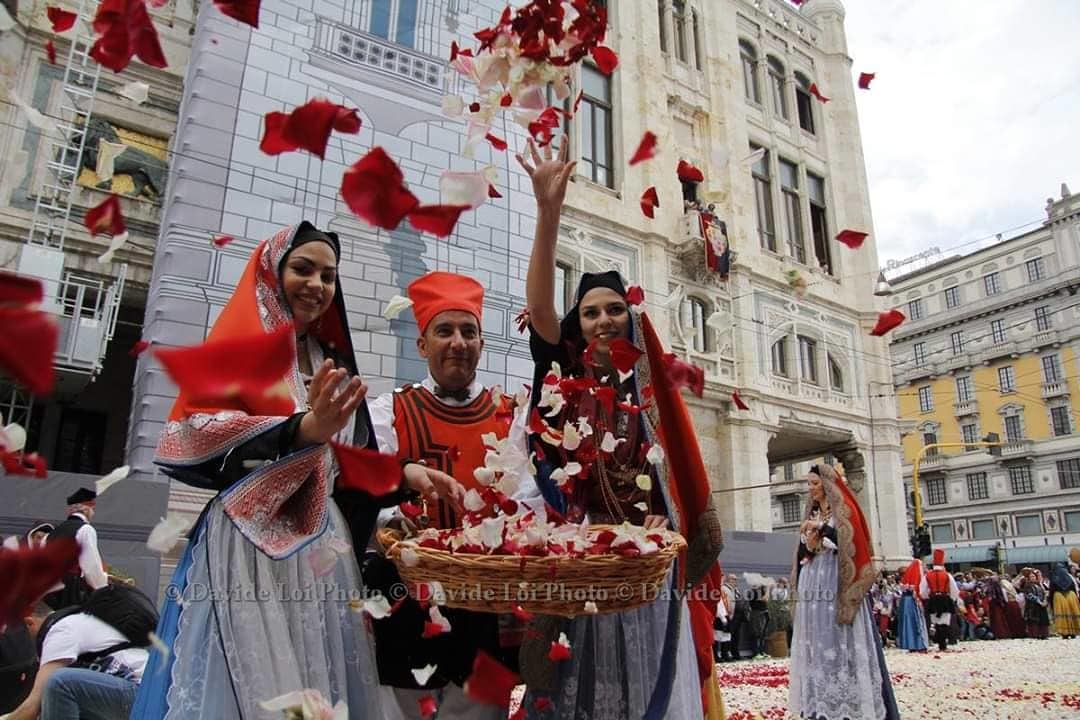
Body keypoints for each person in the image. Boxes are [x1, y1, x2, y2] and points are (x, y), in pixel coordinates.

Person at [130, 222, 404, 718]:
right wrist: (302, 428)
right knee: (254, 683)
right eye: (303, 268)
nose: (317, 285)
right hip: (247, 547)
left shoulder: (329, 359)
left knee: (315, 677)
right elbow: (186, 434)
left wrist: (406, 479)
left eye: (328, 275)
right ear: (271, 274)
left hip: (322, 549)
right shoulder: (239, 350)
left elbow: (340, 461)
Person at [518, 138, 725, 719]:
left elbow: (679, 481)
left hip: (644, 572)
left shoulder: (651, 397)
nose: (603, 319)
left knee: (643, 692)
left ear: (631, 322)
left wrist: (663, 518)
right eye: (590, 312)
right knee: (582, 693)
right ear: (577, 327)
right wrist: (548, 213)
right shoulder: (564, 378)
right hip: (580, 568)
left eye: (614, 309)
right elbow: (537, 310)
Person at [365, 270, 539, 720]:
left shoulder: (511, 418)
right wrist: (391, 518)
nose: (458, 342)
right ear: (422, 345)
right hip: (404, 607)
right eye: (444, 331)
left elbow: (529, 501)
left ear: (482, 344)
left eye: (469, 331)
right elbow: (364, 494)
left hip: (485, 612)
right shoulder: (389, 413)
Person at [788, 465, 898, 720]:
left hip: (836, 581)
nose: (810, 489)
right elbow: (803, 554)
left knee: (840, 636)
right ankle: (820, 698)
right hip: (814, 580)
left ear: (826, 484)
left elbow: (853, 543)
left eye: (814, 483)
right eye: (809, 484)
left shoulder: (843, 511)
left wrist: (823, 530)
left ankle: (849, 698)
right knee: (818, 640)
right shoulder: (814, 512)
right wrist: (810, 544)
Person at [4, 598, 149, 720]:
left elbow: (33, 706)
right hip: (135, 692)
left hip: (137, 693)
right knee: (57, 703)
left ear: (29, 622)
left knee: (59, 683)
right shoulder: (78, 619)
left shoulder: (61, 631)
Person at [43, 491, 106, 610]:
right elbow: (91, 567)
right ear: (86, 510)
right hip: (70, 590)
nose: (93, 513)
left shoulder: (52, 533)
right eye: (93, 509)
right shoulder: (85, 529)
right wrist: (102, 588)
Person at [919, 549, 958, 652]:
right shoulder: (947, 575)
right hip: (944, 598)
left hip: (933, 599)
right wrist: (952, 599)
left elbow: (922, 591)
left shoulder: (927, 575)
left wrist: (928, 597)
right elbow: (955, 590)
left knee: (935, 622)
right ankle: (943, 644)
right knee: (944, 622)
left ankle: (939, 643)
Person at [895, 559, 929, 651]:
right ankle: (919, 643)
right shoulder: (915, 579)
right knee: (916, 622)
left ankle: (910, 643)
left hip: (905, 601)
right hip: (913, 602)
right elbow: (919, 591)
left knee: (907, 622)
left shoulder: (905, 579)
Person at [1050, 561, 1080, 639]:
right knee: (1072, 613)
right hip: (1071, 595)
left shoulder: (1054, 577)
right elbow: (1074, 588)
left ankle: (1065, 632)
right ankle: (1073, 632)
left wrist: (1051, 602)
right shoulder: (1069, 577)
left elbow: (1051, 590)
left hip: (1059, 596)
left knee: (1063, 614)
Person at [1021, 569, 1050, 639]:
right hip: (1032, 606)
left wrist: (1045, 601)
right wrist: (1039, 602)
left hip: (1041, 605)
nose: (1033, 578)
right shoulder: (1027, 586)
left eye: (1034, 576)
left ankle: (1044, 634)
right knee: (1034, 621)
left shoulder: (1039, 585)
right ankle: (1035, 634)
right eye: (1031, 577)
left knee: (1043, 620)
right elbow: (1030, 595)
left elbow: (1044, 594)